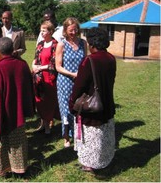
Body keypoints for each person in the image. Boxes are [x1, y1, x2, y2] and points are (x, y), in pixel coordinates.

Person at [69, 27, 116, 172]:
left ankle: (90, 164)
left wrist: (72, 102)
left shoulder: (89, 61)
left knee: (92, 137)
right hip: (106, 101)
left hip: (92, 105)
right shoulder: (111, 58)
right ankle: (104, 159)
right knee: (103, 135)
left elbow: (79, 85)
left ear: (92, 43)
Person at [0, 37, 35, 177]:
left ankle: (5, 170)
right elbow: (29, 85)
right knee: (19, 139)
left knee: (2, 141)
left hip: (2, 110)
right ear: (13, 50)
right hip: (18, 109)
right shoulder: (22, 64)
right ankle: (20, 169)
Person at [55, 17, 87, 148]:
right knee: (66, 110)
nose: (73, 33)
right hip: (65, 82)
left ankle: (77, 134)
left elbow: (85, 61)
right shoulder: (61, 44)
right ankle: (66, 136)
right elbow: (58, 66)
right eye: (70, 30)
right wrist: (72, 74)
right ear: (65, 31)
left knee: (79, 108)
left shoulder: (83, 43)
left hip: (80, 81)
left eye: (75, 30)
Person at [32, 21, 60, 135]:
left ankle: (48, 127)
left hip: (50, 77)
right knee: (40, 102)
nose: (42, 33)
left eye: (44, 30)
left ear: (50, 31)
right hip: (39, 78)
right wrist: (33, 65)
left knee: (49, 102)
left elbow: (55, 63)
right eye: (41, 30)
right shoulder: (40, 44)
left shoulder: (55, 44)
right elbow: (35, 58)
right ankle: (43, 124)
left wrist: (41, 67)